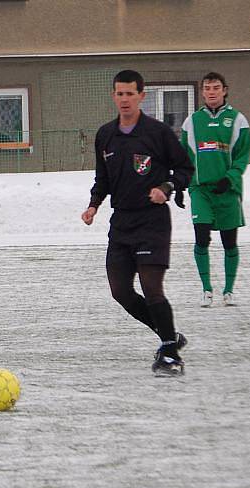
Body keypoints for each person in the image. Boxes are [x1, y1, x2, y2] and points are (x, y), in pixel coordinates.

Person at [81, 70, 194, 376]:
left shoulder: (157, 133)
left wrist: (167, 189)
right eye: (119, 93)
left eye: (130, 93)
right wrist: (93, 205)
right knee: (120, 291)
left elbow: (185, 168)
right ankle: (169, 337)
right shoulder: (106, 135)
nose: (125, 99)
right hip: (121, 223)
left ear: (142, 96)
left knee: (151, 288)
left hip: (152, 221)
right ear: (113, 96)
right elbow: (102, 178)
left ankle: (171, 355)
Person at [181, 72, 250, 307]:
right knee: (202, 237)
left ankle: (229, 291)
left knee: (229, 242)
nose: (211, 91)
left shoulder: (238, 120)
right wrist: (182, 184)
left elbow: (243, 155)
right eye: (207, 87)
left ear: (225, 90)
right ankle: (206, 289)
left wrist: (231, 177)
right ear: (202, 92)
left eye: (216, 87)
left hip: (228, 190)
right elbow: (184, 156)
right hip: (201, 190)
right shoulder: (191, 122)